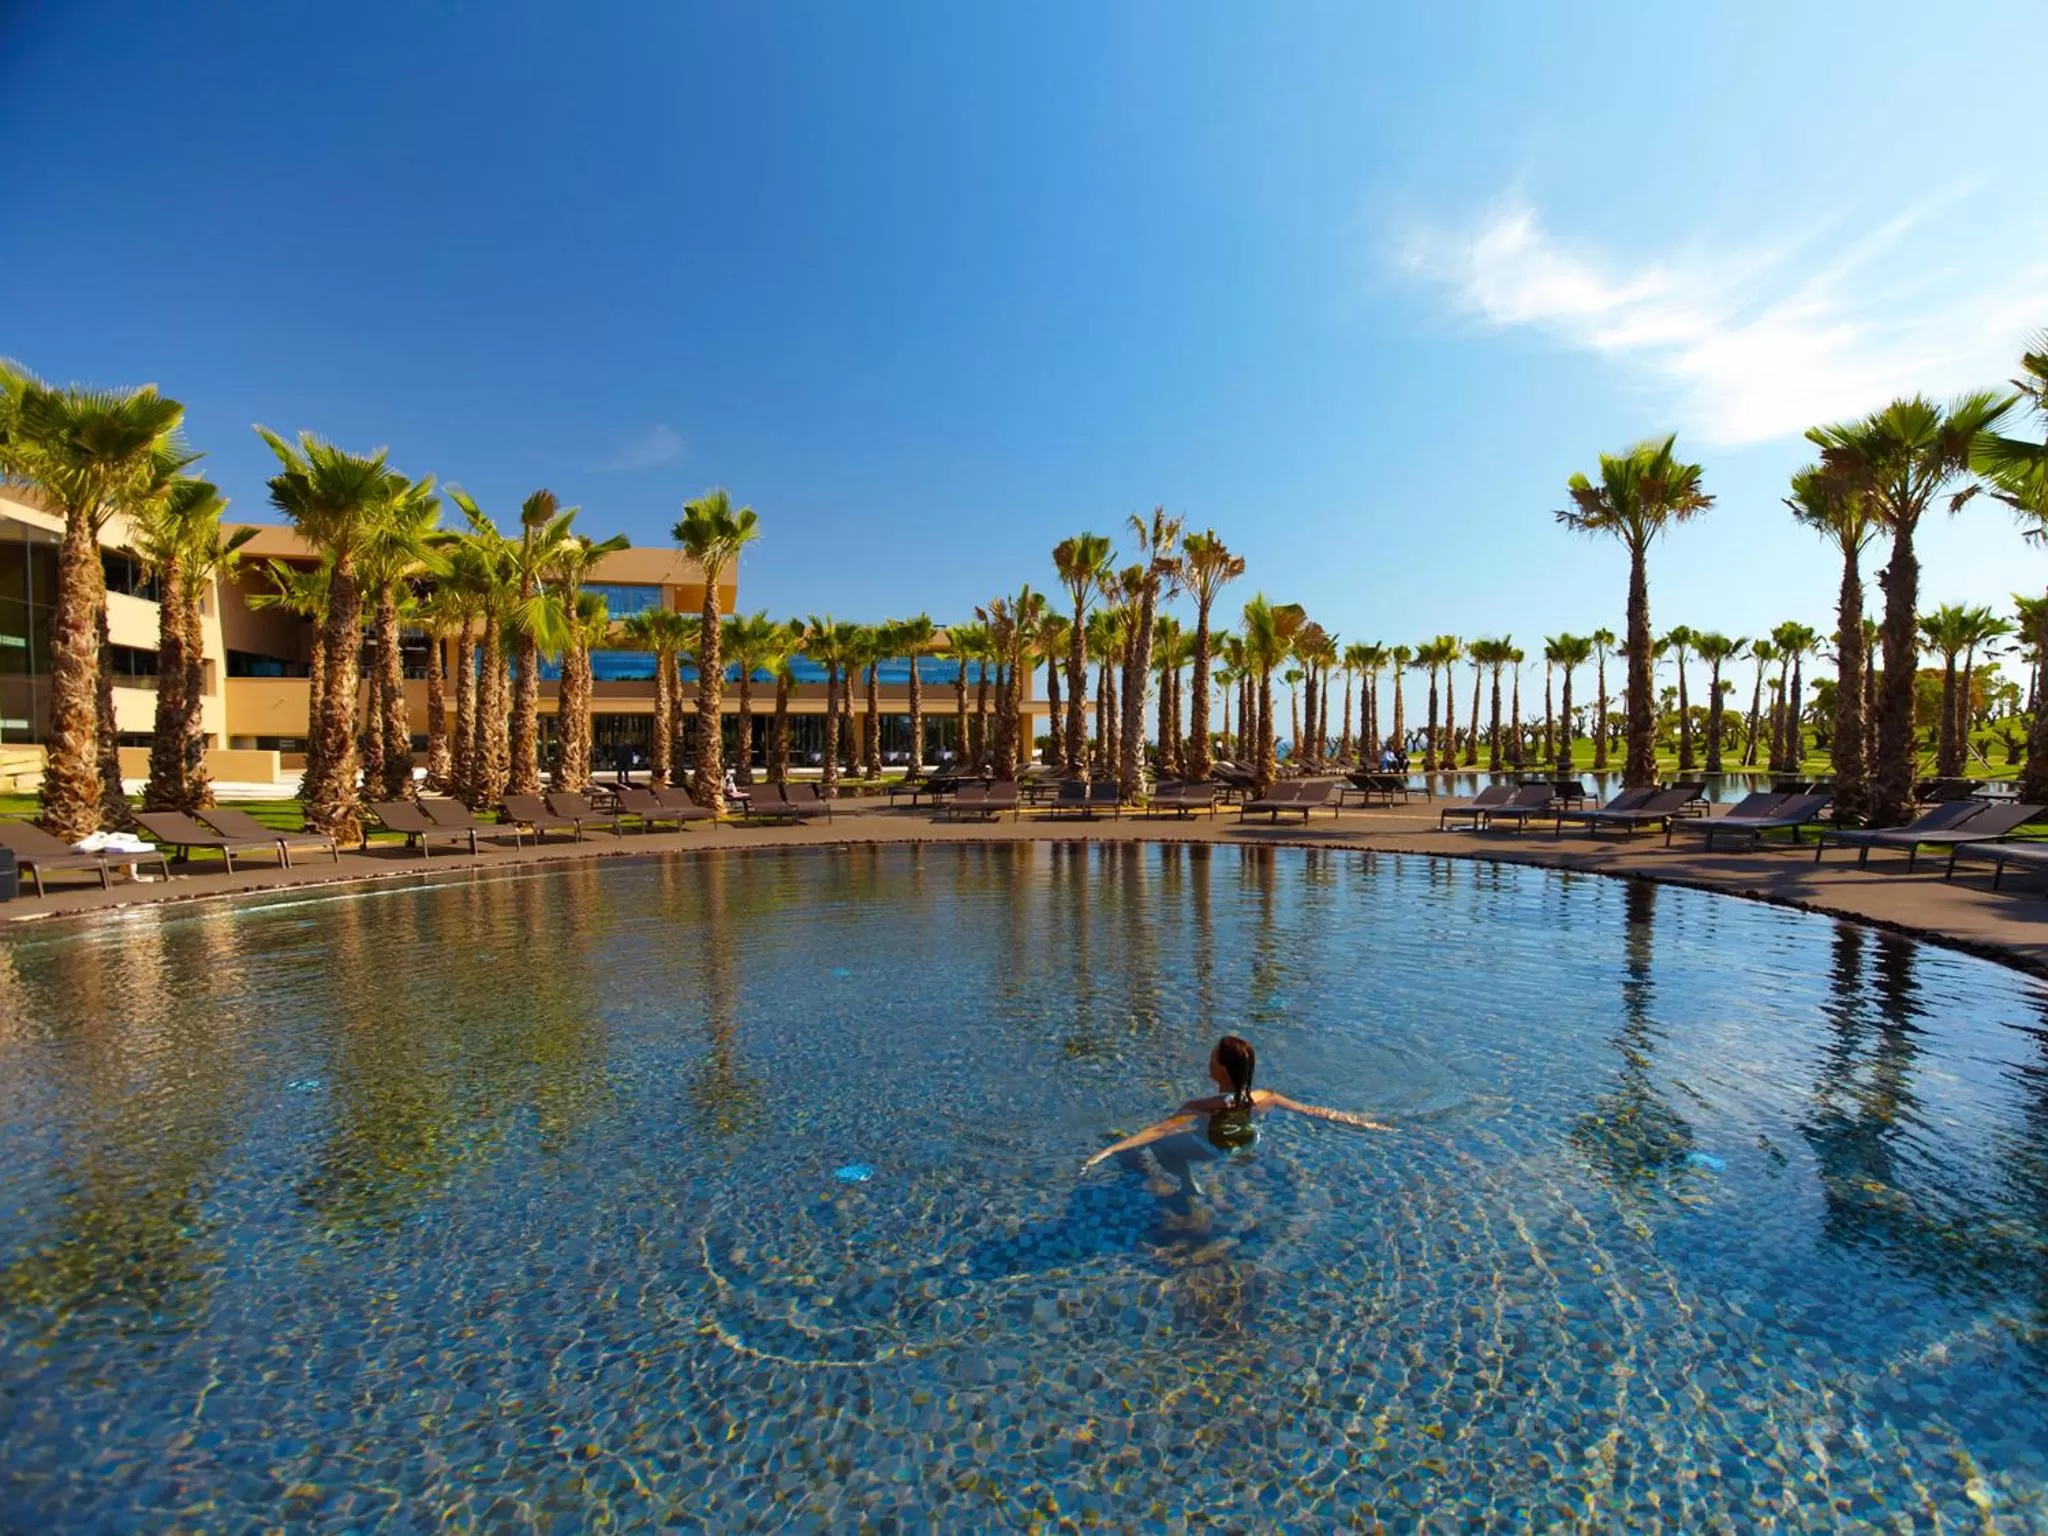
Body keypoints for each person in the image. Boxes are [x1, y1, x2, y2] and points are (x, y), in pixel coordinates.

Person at [1081, 1035, 1389, 1179]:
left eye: (1212, 1057)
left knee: (1159, 1146)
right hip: (1249, 1140)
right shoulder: (1265, 1096)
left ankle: (1187, 1186)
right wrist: (1362, 1122)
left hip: (1216, 1148)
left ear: (1222, 1070)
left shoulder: (1201, 1106)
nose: (1208, 1060)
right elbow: (1312, 1111)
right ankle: (1244, 1160)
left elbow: (1157, 1130)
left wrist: (1108, 1151)